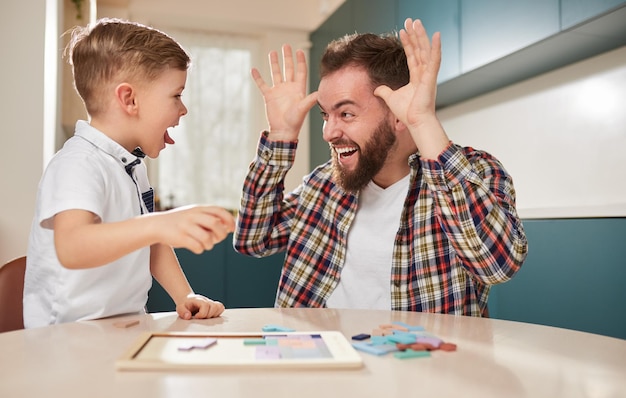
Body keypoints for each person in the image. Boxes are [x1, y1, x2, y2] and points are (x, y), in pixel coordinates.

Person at [233, 18, 528, 316]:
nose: (328, 132)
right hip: (321, 355)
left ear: (398, 116)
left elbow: (496, 266)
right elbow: (253, 239)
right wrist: (280, 137)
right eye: (326, 115)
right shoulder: (323, 184)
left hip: (420, 361)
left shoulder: (477, 173)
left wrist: (422, 121)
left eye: (346, 113)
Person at [23, 18, 235, 328]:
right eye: (176, 95)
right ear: (129, 99)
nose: (183, 109)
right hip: (67, 338)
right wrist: (158, 224)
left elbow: (152, 242)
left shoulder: (132, 168)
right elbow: (72, 246)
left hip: (120, 330)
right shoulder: (78, 162)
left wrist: (185, 295)